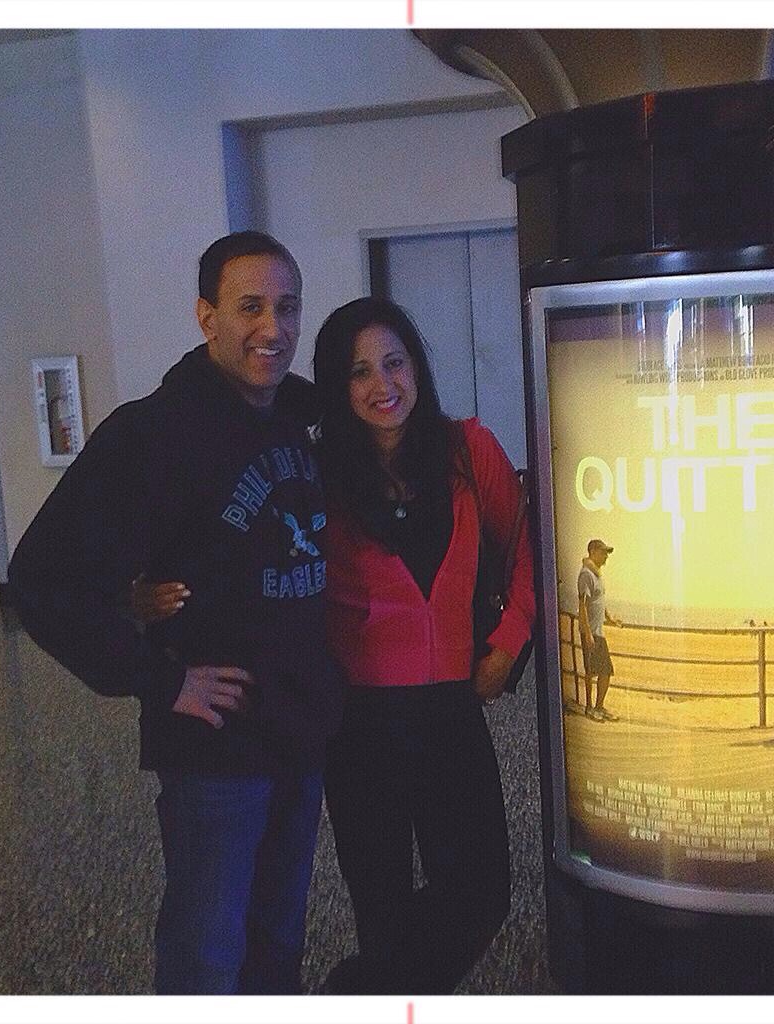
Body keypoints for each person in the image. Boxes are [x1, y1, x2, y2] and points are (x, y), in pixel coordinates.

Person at [8, 231, 343, 994]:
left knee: (277, 936)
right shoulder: (151, 434)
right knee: (205, 946)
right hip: (215, 747)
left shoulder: (302, 413)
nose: (273, 328)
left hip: (299, 728)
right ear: (206, 316)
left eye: (287, 308)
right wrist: (159, 679)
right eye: (250, 306)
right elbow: (41, 578)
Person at [313, 297, 535, 994]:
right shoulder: (317, 474)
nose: (383, 384)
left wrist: (509, 636)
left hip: (449, 705)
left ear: (417, 365)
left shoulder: (470, 450)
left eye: (394, 361)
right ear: (336, 387)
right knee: (380, 899)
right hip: (359, 717)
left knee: (480, 891)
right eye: (359, 372)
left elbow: (530, 548)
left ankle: (356, 994)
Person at [578, 538, 622, 721]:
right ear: (593, 551)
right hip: (592, 632)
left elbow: (599, 601)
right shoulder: (586, 574)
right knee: (596, 671)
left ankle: (598, 707)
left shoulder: (597, 575)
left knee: (602, 670)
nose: (605, 557)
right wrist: (587, 633)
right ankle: (592, 708)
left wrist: (609, 618)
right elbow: (583, 605)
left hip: (597, 631)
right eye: (603, 552)